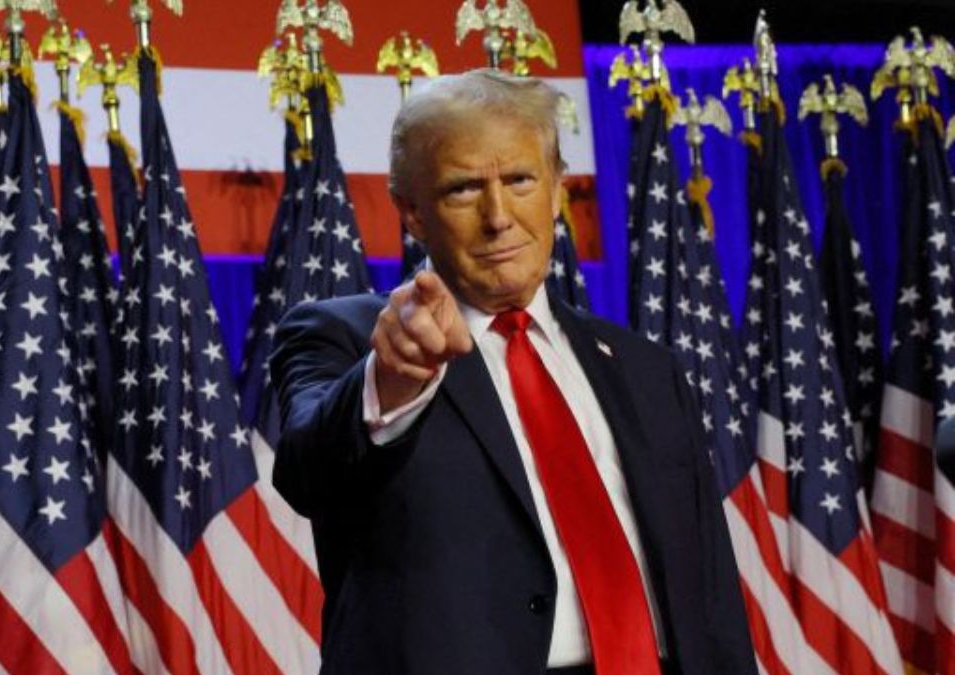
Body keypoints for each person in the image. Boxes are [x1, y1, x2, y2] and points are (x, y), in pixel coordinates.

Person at [270, 68, 756, 675]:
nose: (498, 215)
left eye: (520, 179)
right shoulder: (347, 337)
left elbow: (707, 584)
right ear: (412, 211)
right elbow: (306, 473)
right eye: (463, 189)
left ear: (557, 189)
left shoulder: (644, 367)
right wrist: (395, 378)